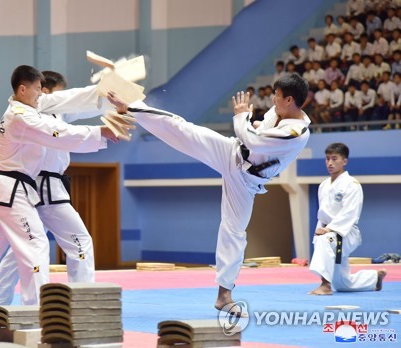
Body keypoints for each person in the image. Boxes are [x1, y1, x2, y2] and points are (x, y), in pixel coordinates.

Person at [107, 74, 311, 313]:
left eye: (276, 97)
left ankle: (224, 295)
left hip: (247, 180)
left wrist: (242, 115)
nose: (272, 101)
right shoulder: (278, 113)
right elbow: (256, 134)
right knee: (183, 128)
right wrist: (252, 124)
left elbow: (255, 141)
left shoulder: (296, 132)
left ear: (288, 100)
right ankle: (130, 106)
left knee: (234, 231)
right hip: (232, 153)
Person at [0, 65, 118, 313]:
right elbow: (56, 133)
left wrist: (105, 92)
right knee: (34, 245)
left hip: (12, 189)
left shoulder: (30, 108)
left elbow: (67, 99)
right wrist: (102, 132)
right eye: (37, 90)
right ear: (23, 89)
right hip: (16, 190)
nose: (41, 95)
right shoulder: (22, 116)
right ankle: (36, 309)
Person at [0, 71, 107, 306]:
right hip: (43, 188)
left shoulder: (52, 114)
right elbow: (65, 130)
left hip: (37, 188)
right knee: (78, 240)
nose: (65, 99)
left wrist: (113, 98)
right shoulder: (33, 117)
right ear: (45, 92)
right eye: (59, 94)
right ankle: (82, 301)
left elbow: (84, 106)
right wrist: (102, 133)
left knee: (24, 249)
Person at [309, 143, 386, 295]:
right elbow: (322, 214)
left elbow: (350, 213)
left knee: (326, 240)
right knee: (343, 283)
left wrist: (329, 229)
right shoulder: (323, 185)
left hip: (346, 232)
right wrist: (320, 230)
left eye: (334, 159)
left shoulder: (351, 185)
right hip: (330, 231)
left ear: (344, 161)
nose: (330, 163)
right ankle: (374, 279)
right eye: (327, 159)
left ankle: (325, 285)